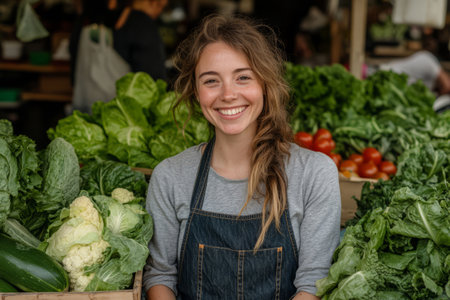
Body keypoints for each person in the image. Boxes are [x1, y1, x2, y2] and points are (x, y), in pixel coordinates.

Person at [143, 14, 341, 300]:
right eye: (211, 81)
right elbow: (160, 276)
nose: (228, 94)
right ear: (196, 92)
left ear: (265, 83)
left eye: (243, 77)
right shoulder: (171, 176)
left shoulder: (313, 173)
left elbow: (314, 283)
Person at [113, 0, 168, 81]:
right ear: (153, 2)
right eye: (160, 6)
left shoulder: (123, 15)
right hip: (136, 89)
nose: (159, 12)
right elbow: (153, 73)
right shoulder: (144, 25)